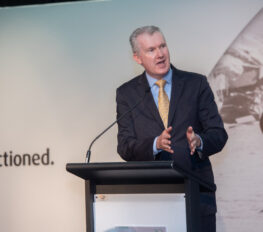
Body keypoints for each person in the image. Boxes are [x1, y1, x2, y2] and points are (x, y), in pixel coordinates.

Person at [116, 25, 228, 232]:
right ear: (137, 58)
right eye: (151, 50)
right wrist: (154, 144)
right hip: (151, 202)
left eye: (162, 46)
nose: (160, 54)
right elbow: (125, 146)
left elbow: (218, 134)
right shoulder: (127, 94)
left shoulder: (196, 84)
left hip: (196, 197)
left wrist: (199, 141)